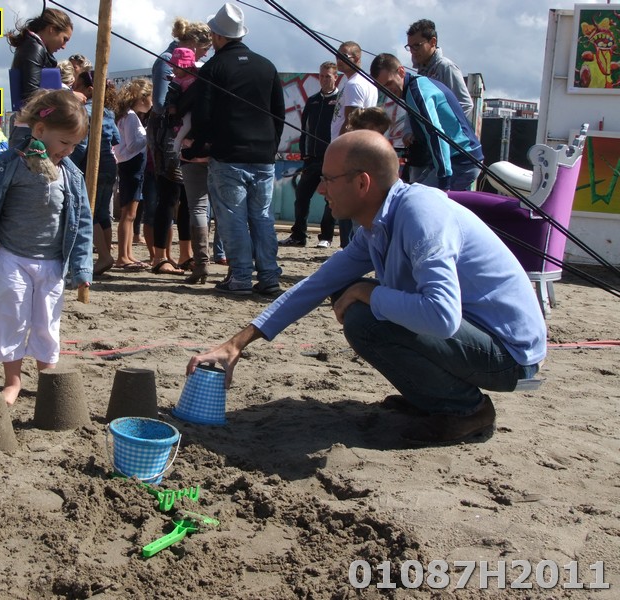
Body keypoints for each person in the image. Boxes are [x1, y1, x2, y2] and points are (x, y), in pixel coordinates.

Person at [187, 130, 547, 445]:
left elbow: (442, 317)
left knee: (363, 315)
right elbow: (316, 285)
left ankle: (466, 410)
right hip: (477, 337)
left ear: (362, 183)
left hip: (509, 357)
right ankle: (434, 398)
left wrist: (369, 293)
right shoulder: (378, 223)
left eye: (329, 179)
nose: (321, 189)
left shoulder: (421, 216)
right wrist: (237, 343)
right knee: (351, 296)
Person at [0, 89, 93, 406]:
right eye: (64, 143)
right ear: (40, 130)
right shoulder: (9, 165)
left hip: (52, 264)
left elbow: (82, 223)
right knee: (12, 318)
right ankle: (12, 381)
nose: (69, 151)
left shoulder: (71, 175)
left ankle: (48, 380)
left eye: (75, 145)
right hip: (12, 260)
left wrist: (82, 269)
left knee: (47, 323)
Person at [188, 3, 286, 296]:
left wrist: (199, 147)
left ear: (218, 36)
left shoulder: (213, 68)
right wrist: (271, 145)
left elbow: (202, 115)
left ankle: (241, 277)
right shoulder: (267, 66)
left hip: (228, 155)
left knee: (233, 218)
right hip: (263, 155)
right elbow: (279, 113)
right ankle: (269, 276)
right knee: (263, 217)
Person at [148, 18, 213, 276]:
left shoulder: (195, 66)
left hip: (185, 134)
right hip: (168, 133)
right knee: (169, 194)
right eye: (205, 49)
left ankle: (186, 253)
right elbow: (160, 103)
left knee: (187, 196)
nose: (205, 54)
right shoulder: (167, 60)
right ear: (193, 43)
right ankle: (160, 256)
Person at [370, 53, 483, 191]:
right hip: (460, 157)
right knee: (413, 193)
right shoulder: (419, 84)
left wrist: (444, 180)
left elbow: (435, 133)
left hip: (460, 160)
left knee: (418, 197)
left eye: (389, 83)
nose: (388, 91)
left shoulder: (417, 92)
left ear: (401, 71)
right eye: (383, 88)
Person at [278, 61, 339, 249]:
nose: (324, 80)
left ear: (335, 77)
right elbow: (304, 130)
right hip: (311, 159)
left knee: (330, 199)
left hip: (331, 159)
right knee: (302, 196)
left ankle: (326, 237)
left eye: (328, 76)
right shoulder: (312, 101)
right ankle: (298, 235)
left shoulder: (340, 100)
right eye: (321, 76)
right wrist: (304, 154)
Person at [7, 8, 84, 149]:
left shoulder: (31, 46)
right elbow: (31, 94)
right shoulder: (34, 48)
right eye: (64, 39)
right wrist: (69, 95)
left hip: (30, 129)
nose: (64, 46)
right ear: (51, 29)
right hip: (29, 131)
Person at [70, 70, 120, 276]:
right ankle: (105, 255)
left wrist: (69, 164)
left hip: (93, 165)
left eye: (77, 87)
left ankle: (104, 256)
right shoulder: (108, 112)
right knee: (102, 212)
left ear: (89, 90)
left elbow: (82, 145)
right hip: (109, 164)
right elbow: (116, 138)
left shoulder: (85, 111)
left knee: (89, 211)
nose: (73, 90)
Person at [330, 41, 378, 248]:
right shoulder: (360, 82)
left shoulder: (355, 84)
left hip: (350, 151)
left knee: (346, 202)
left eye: (344, 56)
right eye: (337, 56)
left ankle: (351, 248)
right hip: (359, 149)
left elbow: (351, 122)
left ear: (357, 59)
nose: (339, 60)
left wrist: (339, 150)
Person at [113, 78, 153, 270]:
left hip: (130, 164)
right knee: (128, 214)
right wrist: (148, 135)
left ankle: (127, 254)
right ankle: (123, 255)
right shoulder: (130, 117)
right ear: (142, 98)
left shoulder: (127, 115)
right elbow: (131, 145)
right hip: (132, 164)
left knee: (130, 213)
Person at [406, 19, 473, 121]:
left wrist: (445, 126)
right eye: (410, 47)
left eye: (417, 46)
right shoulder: (421, 72)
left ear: (433, 42)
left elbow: (465, 104)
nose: (413, 51)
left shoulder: (446, 67)